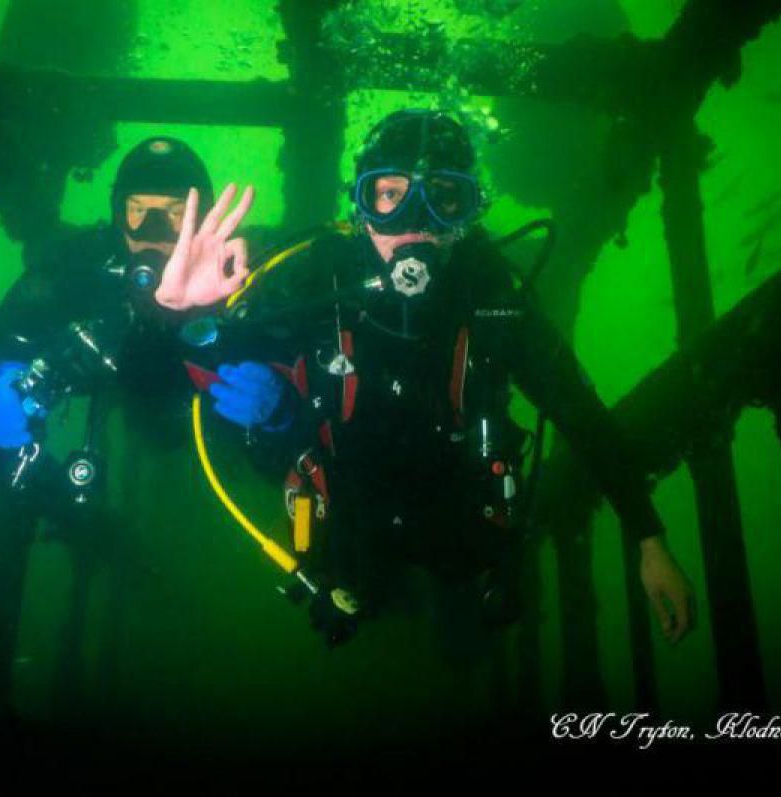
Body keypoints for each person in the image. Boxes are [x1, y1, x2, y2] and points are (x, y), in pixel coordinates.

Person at [202, 109, 695, 647]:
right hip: (348, 516)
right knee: (359, 604)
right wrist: (187, 313)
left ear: (468, 211)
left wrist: (650, 539)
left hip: (459, 531)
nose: (416, 220)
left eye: (443, 197)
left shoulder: (491, 295)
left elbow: (580, 412)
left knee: (463, 630)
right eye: (390, 195)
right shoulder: (322, 275)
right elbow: (214, 363)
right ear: (361, 207)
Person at [0, 135, 254, 461]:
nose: (153, 231)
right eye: (138, 211)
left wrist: (281, 409)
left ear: (201, 217)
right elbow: (7, 330)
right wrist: (1, 375)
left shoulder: (235, 272)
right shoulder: (83, 262)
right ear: (118, 214)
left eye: (176, 213)